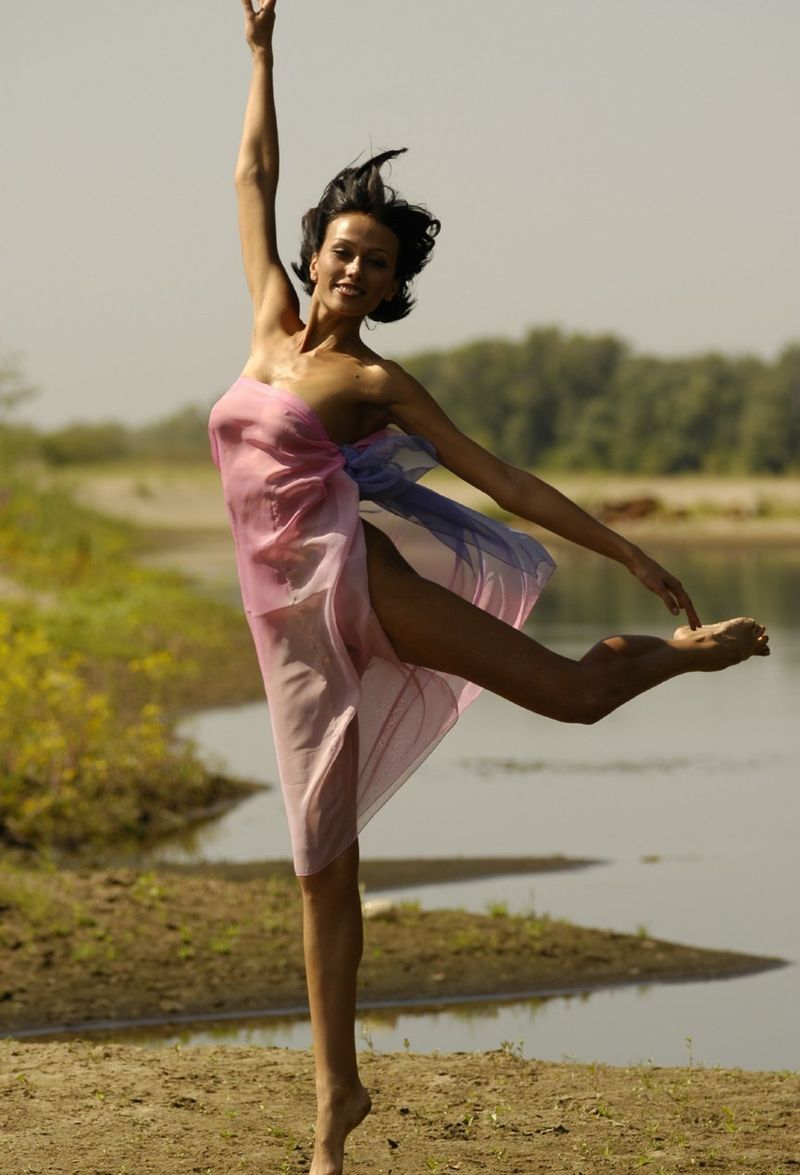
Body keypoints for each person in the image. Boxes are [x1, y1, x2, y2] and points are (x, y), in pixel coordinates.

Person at [209, 3, 770, 1172]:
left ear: (392, 282)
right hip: (285, 634)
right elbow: (250, 170)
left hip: (357, 589)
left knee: (568, 697)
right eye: (345, 249)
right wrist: (261, 51)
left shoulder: (376, 377)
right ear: (317, 249)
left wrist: (627, 551)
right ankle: (334, 1106)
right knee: (320, 863)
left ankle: (681, 653)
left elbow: (501, 478)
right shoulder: (266, 320)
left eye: (380, 262)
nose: (357, 268)